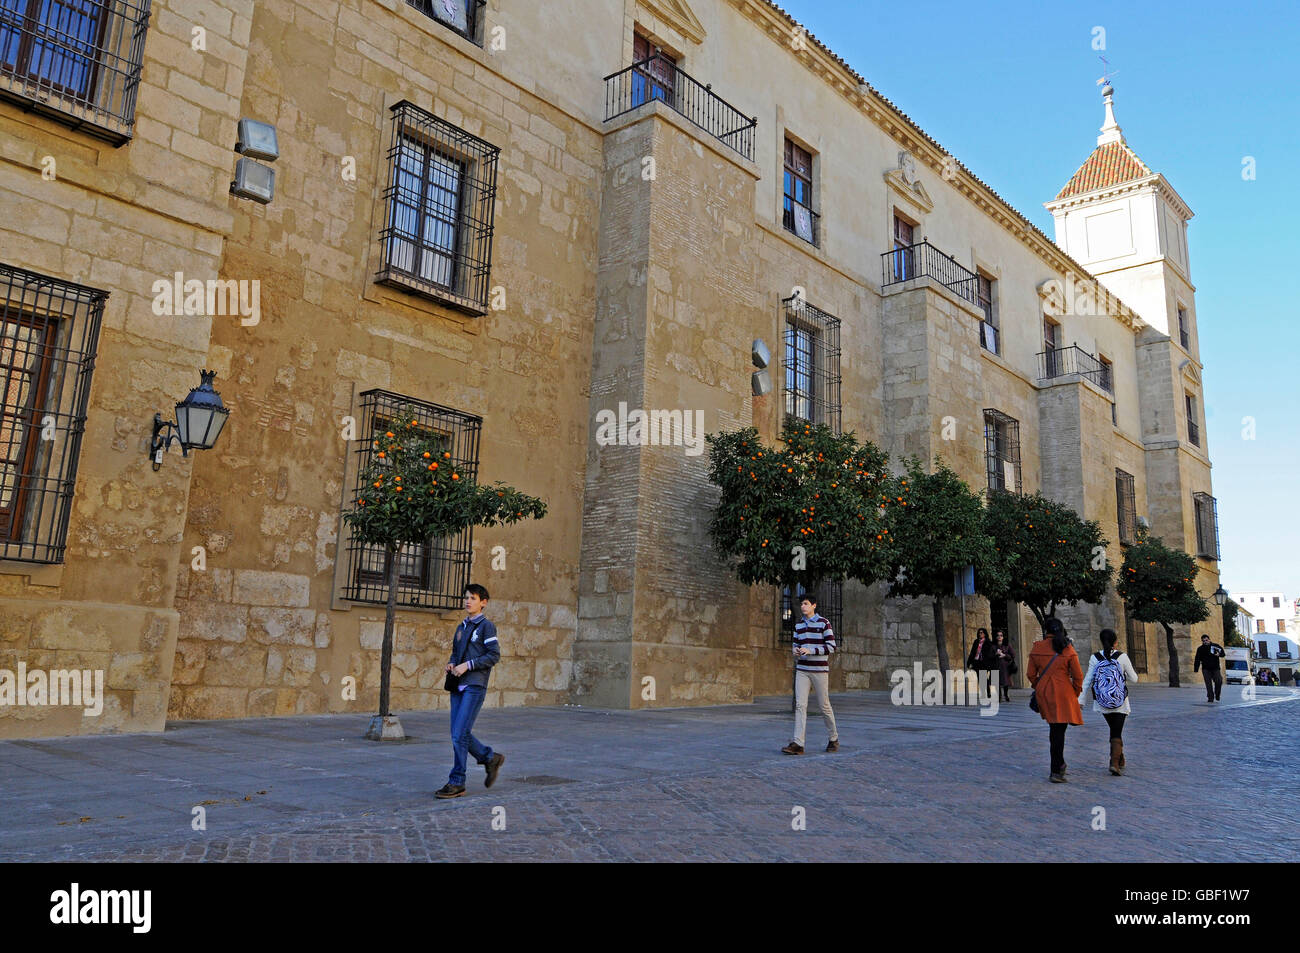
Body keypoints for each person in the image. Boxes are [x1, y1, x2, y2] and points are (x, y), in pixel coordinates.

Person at [435, 583, 506, 799]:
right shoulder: (461, 627)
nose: (468, 601)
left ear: (483, 602)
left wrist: (468, 665)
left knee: (459, 734)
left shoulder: (487, 627)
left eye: (473, 598)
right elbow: (456, 654)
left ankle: (457, 781)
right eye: (466, 597)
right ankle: (489, 757)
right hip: (458, 685)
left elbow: (493, 655)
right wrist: (451, 663)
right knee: (459, 733)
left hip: (474, 685)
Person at [1026, 617, 1083, 783]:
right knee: (1058, 732)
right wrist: (1075, 693)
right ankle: (1056, 770)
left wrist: (1040, 685)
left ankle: (1059, 765)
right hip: (1064, 694)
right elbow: (1078, 676)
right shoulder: (1068, 649)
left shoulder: (1037, 648)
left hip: (1046, 693)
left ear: (1046, 631)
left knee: (1055, 730)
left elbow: (1030, 674)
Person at [782, 594, 839, 755]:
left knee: (824, 705)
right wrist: (796, 651)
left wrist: (811, 650)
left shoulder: (824, 623)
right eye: (801, 604)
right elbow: (795, 644)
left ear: (814, 605)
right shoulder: (799, 625)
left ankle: (833, 739)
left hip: (820, 670)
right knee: (800, 705)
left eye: (806, 604)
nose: (803, 606)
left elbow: (832, 647)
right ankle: (798, 744)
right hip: (802, 670)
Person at [1078, 628, 1139, 775]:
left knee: (1114, 730)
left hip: (1102, 702)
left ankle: (1119, 757)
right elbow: (1135, 679)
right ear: (1115, 642)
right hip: (1120, 702)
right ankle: (1114, 763)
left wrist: (1080, 699)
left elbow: (1087, 680)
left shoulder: (1095, 658)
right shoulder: (1122, 657)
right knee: (1116, 732)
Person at [1193, 633, 1225, 703]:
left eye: (1206, 640)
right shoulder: (1200, 649)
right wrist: (1196, 668)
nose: (1205, 642)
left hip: (1215, 668)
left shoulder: (1215, 646)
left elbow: (1223, 654)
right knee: (1208, 683)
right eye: (1203, 641)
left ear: (1209, 640)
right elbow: (1197, 659)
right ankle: (1210, 697)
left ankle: (1217, 694)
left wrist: (1218, 654)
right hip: (1206, 669)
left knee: (1219, 681)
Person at [993, 630, 1015, 702]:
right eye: (998, 635)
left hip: (1005, 667)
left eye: (1001, 635)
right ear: (996, 637)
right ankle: (999, 697)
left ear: (1003, 637)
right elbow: (989, 655)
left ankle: (1006, 695)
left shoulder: (1007, 645)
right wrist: (996, 654)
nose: (999, 637)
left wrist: (1004, 655)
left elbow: (1013, 655)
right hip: (995, 666)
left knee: (1005, 682)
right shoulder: (993, 646)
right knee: (997, 682)